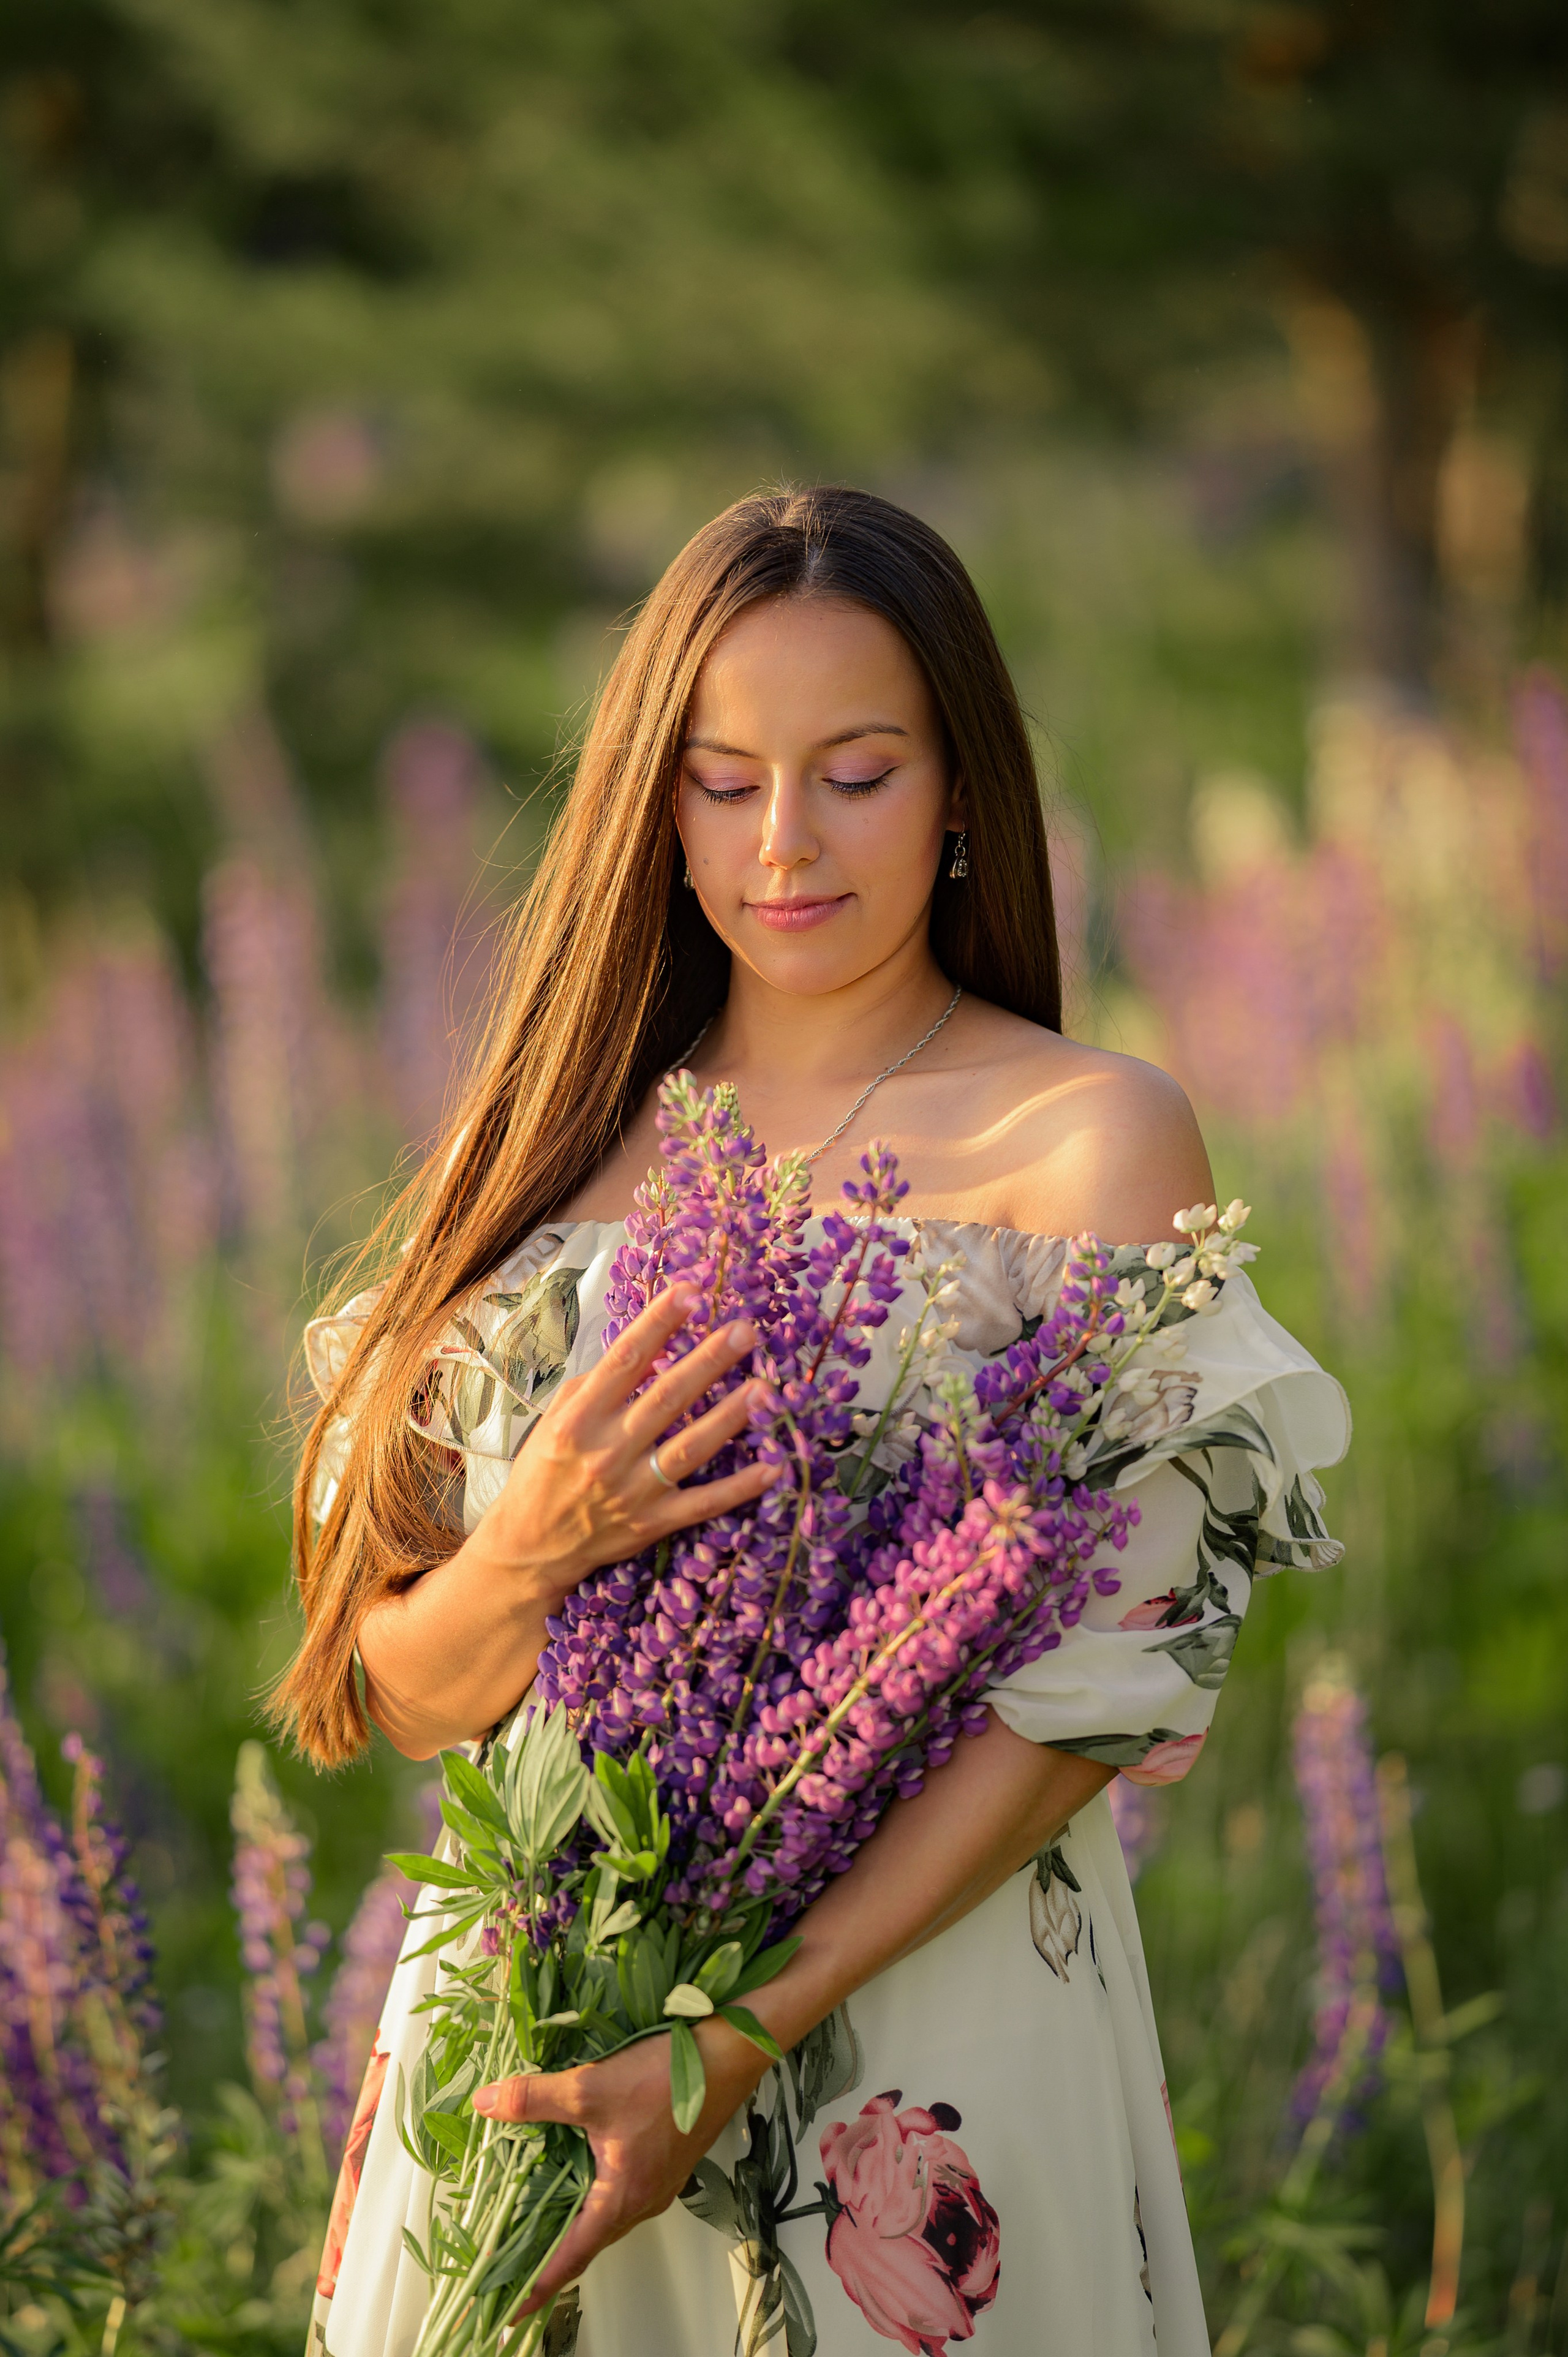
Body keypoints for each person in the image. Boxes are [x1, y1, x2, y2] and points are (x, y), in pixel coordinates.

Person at [281, 486, 1349, 2357]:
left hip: (915, 2079)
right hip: (532, 2041)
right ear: (654, 804)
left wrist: (737, 2036)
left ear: (959, 796)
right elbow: (395, 1690)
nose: (784, 843)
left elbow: (1094, 1701)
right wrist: (531, 1554)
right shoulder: (531, 1158)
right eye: (721, 779)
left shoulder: (1090, 1137)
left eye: (856, 773)